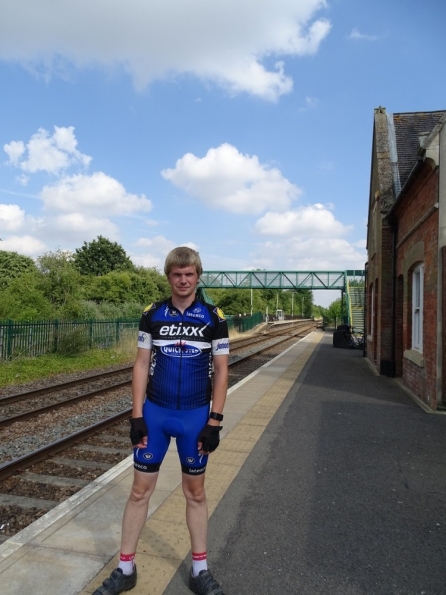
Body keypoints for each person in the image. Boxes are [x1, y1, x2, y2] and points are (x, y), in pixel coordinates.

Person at [93, 247, 229, 595]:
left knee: (195, 493)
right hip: (155, 414)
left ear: (198, 276)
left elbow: (222, 369)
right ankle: (126, 568)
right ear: (168, 277)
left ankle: (200, 569)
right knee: (139, 492)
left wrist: (214, 421)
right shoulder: (152, 315)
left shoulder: (214, 317)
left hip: (195, 416)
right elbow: (140, 364)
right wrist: (136, 416)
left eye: (189, 274)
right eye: (176, 274)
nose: (183, 280)